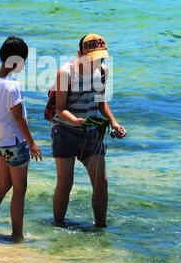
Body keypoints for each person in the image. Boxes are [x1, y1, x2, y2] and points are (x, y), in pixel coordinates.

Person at [51, 33, 126, 228]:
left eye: (100, 58)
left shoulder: (103, 71)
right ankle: (58, 225)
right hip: (65, 131)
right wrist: (76, 120)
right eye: (92, 58)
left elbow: (101, 103)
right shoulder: (66, 72)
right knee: (66, 182)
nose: (96, 62)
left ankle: (101, 228)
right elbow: (59, 109)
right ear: (79, 53)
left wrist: (114, 122)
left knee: (101, 182)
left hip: (92, 133)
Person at [0, 36, 42, 240]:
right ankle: (17, 235)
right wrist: (31, 143)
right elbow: (19, 116)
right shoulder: (12, 85)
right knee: (20, 188)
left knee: (3, 185)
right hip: (14, 144)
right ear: (16, 62)